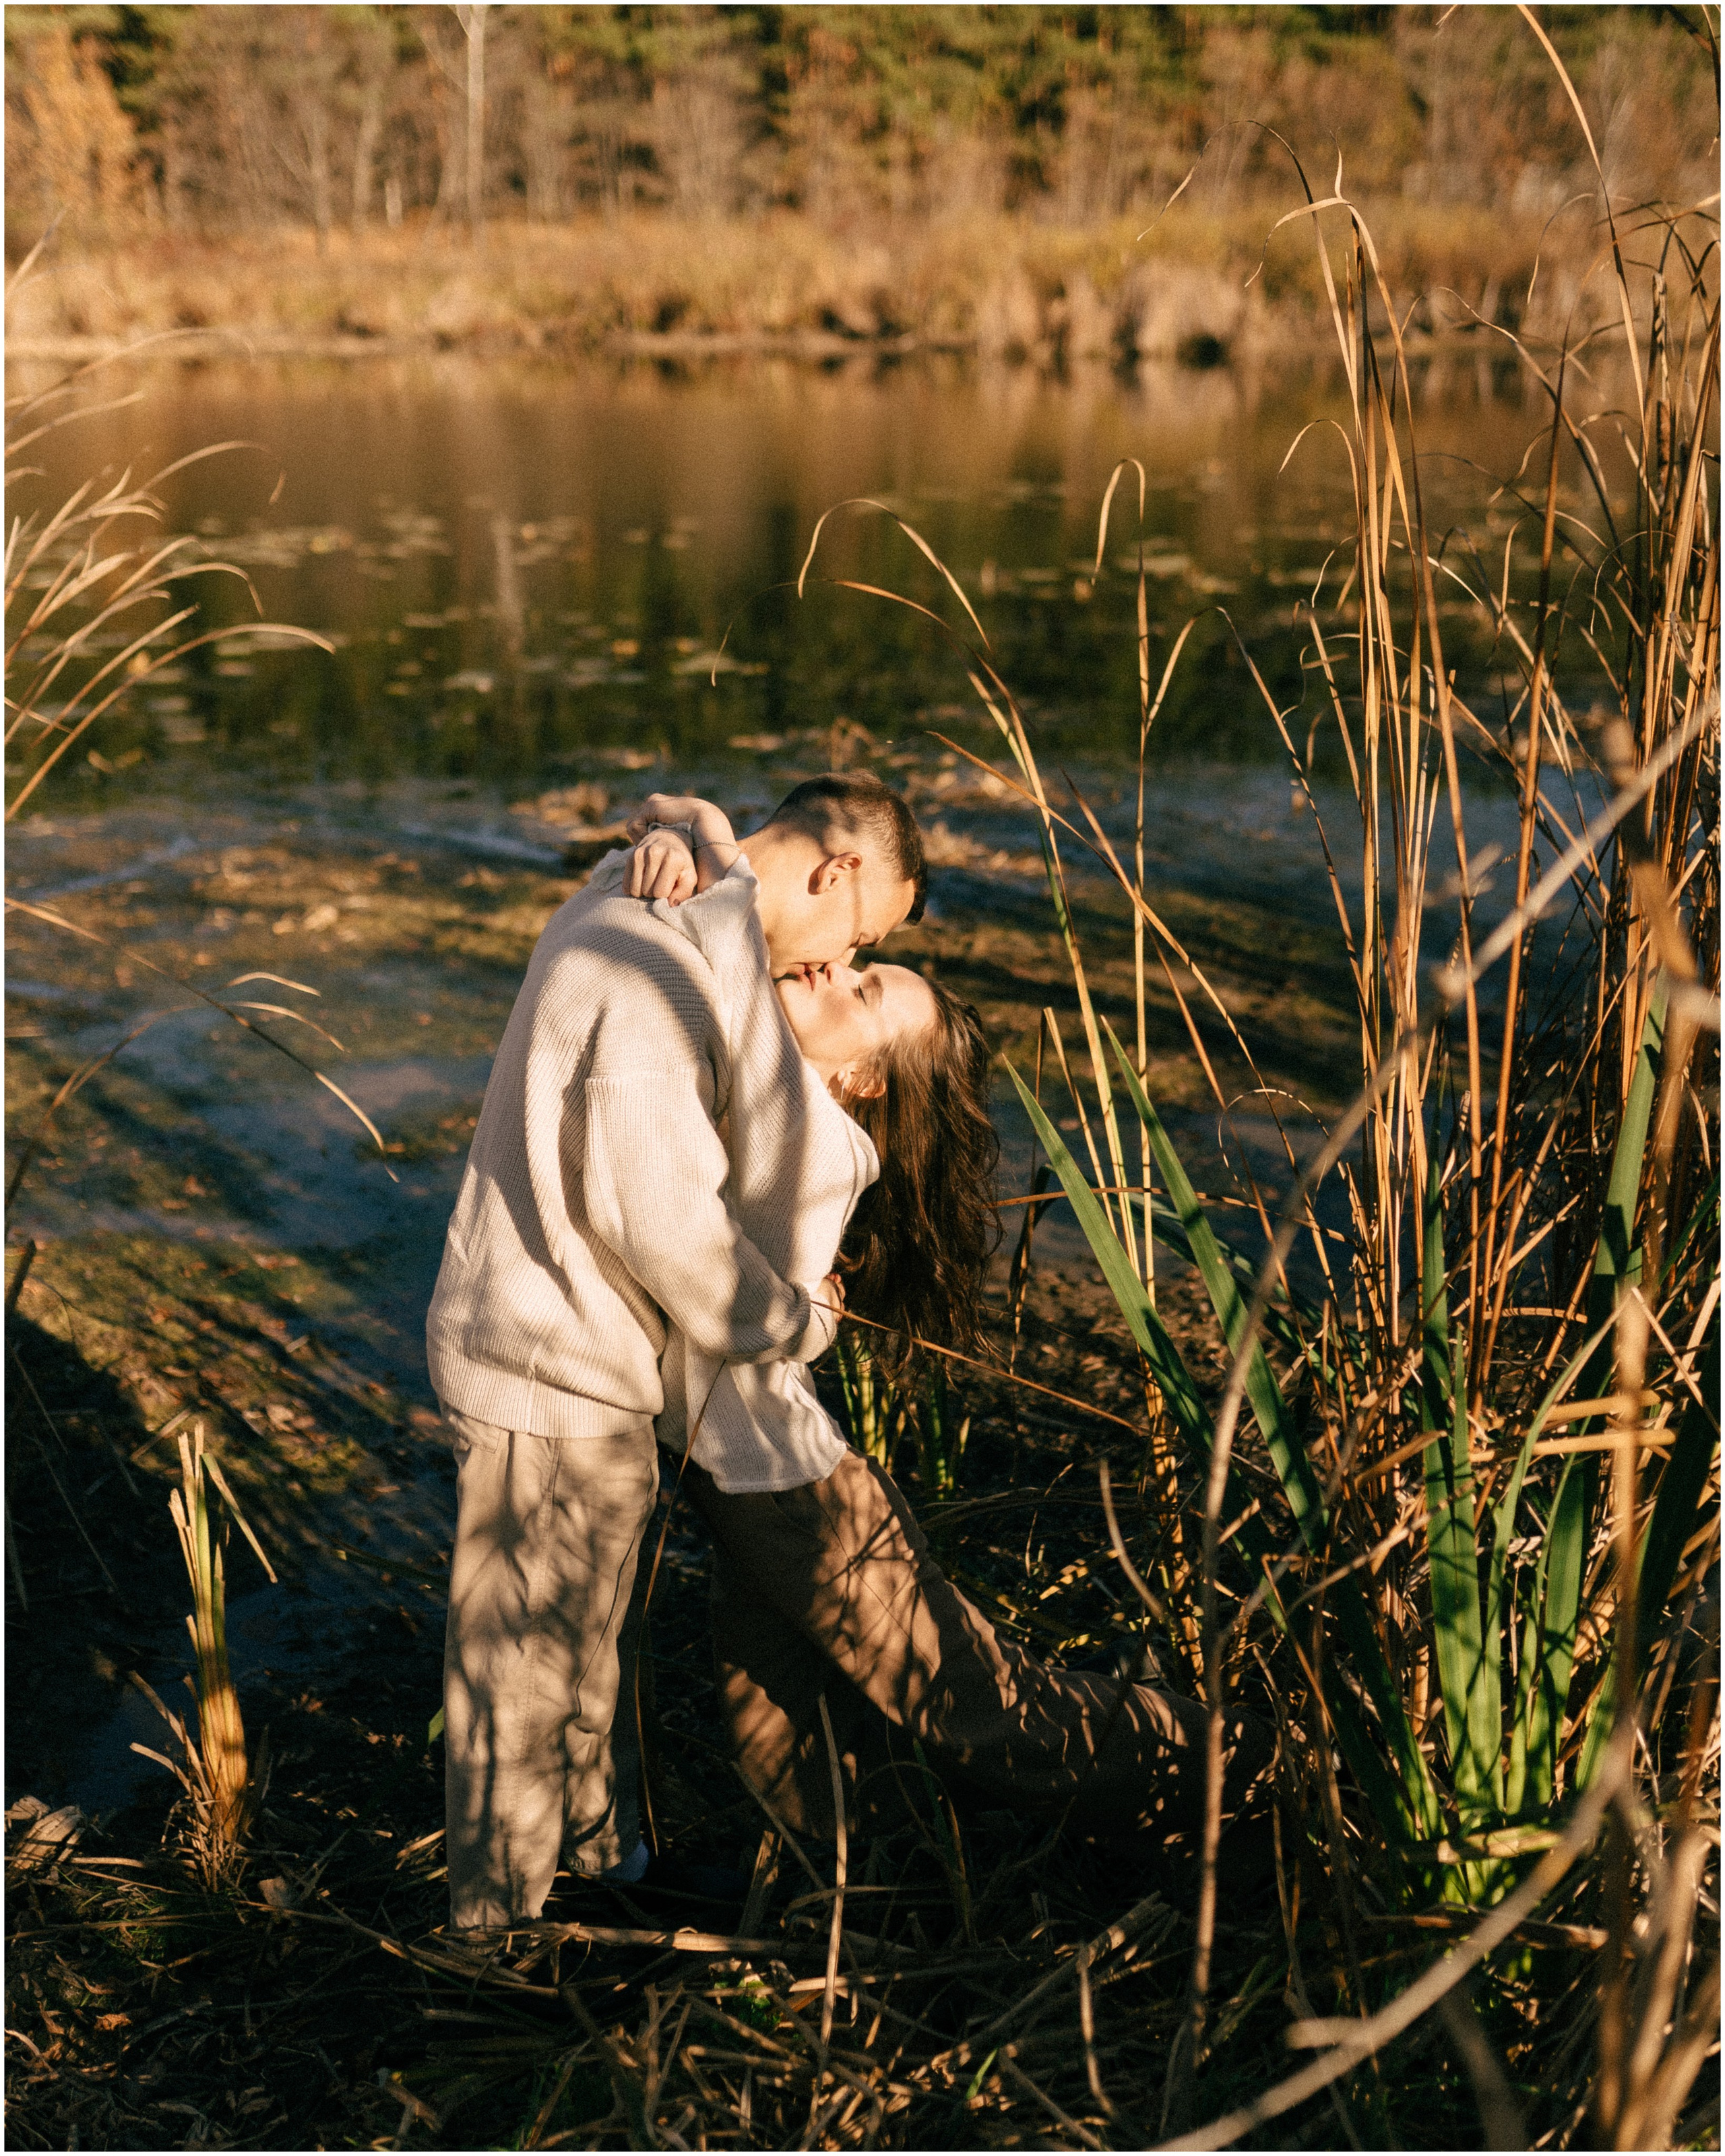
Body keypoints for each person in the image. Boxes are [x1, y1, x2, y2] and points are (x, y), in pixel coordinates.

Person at [623, 796, 1272, 1854]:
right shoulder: (785, 1102)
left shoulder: (815, 1142)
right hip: (749, 1481)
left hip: (790, 1489)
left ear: (864, 1078)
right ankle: (854, 1880)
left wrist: (691, 840)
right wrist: (678, 829)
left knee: (983, 1711)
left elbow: (730, 1292)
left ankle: (1254, 1770)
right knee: (769, 1705)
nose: (834, 969)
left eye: (864, 983)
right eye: (857, 961)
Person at [427, 771, 927, 1931]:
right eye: (864, 936)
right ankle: (492, 1949)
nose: (836, 964)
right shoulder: (655, 965)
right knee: (522, 1672)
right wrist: (796, 1321)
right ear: (839, 873)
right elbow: (665, 1225)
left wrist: (682, 825)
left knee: (592, 1648)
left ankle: (604, 1878)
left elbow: (693, 842)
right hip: (544, 1360)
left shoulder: (680, 908)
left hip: (588, 1359)